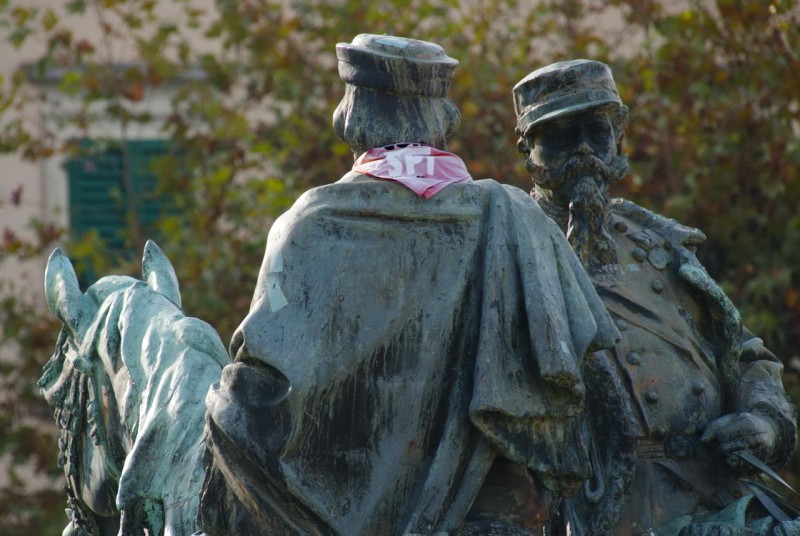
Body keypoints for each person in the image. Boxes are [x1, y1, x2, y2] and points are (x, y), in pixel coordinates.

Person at [197, 36, 621, 535]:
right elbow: (581, 380)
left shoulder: (312, 223)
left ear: (351, 119)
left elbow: (260, 390)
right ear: (444, 119)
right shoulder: (516, 216)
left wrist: (217, 407)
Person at [512, 59, 797, 535]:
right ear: (528, 150)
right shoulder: (511, 246)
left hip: (717, 496)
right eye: (560, 136)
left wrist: (763, 423)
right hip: (613, 510)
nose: (584, 151)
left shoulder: (661, 244)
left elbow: (745, 358)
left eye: (596, 132)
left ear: (619, 140)